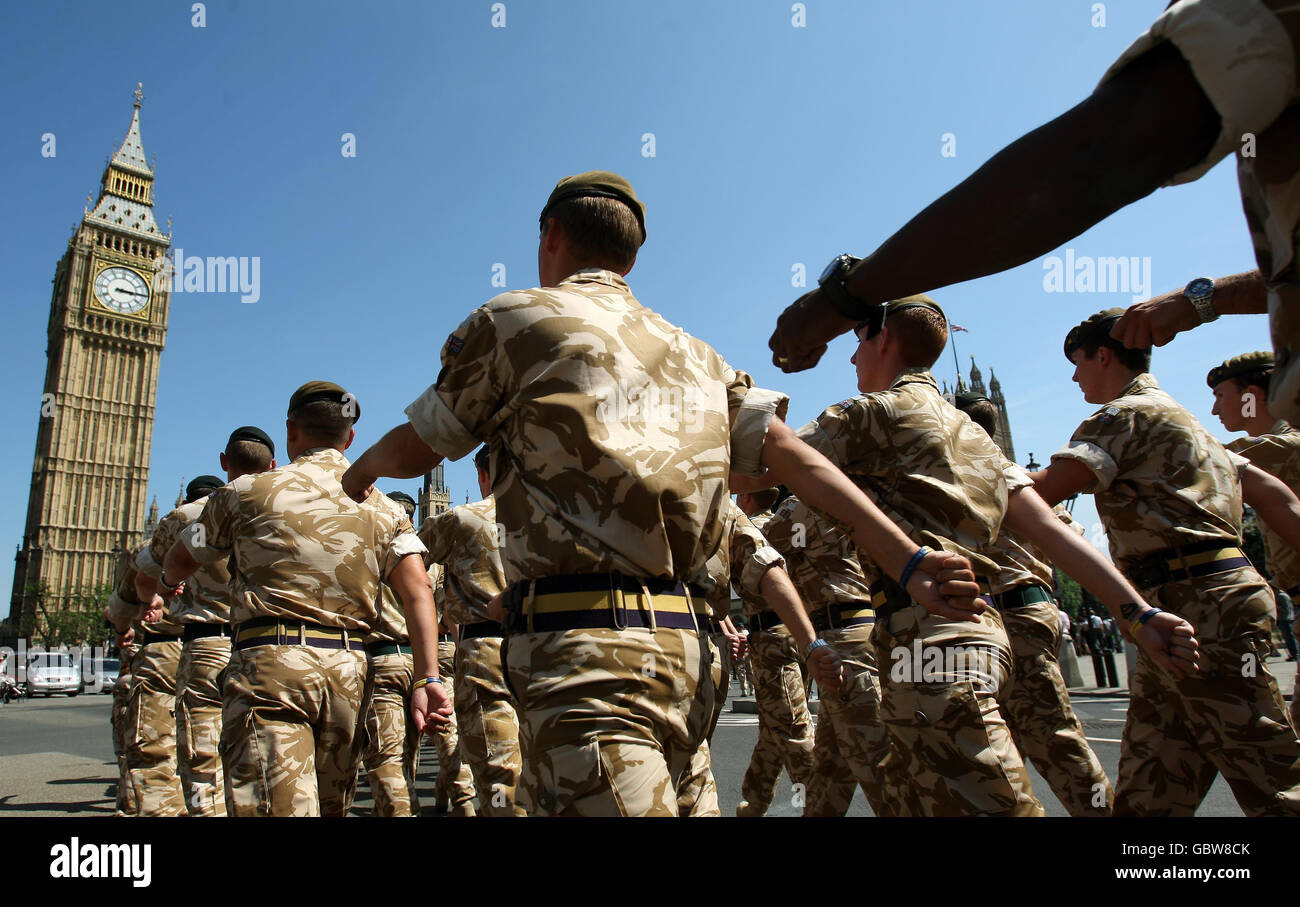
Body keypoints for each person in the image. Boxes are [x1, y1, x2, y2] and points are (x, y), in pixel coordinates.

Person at [341, 170, 975, 816]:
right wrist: (907, 556)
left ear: (551, 234)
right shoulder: (699, 354)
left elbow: (423, 442)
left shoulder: (514, 321)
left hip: (587, 665)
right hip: (689, 665)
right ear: (633, 256)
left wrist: (357, 473)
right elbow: (792, 459)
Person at [766, 0, 1300, 426]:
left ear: (881, 338)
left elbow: (1089, 163)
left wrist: (844, 297)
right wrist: (1203, 300)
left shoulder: (860, 420)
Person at [770, 296, 1198, 816]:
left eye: (857, 342)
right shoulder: (974, 435)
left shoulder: (868, 414)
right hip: (966, 633)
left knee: (999, 801)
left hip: (932, 638)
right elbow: (1049, 526)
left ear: (882, 340)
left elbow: (768, 468)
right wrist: (1135, 610)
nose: (853, 358)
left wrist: (745, 408)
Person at [1030, 309, 1300, 816]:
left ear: (1103, 356)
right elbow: (1272, 494)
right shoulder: (1186, 421)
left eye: (1078, 362)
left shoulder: (1121, 416)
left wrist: (982, 477)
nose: (1073, 376)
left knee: (1272, 779)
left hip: (1196, 604)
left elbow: (1044, 493)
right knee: (1151, 786)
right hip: (1189, 604)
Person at [160, 381, 447, 817]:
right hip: (350, 673)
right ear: (350, 438)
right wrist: (428, 678)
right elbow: (418, 592)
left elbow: (181, 558)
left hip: (270, 666)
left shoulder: (244, 493)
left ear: (291, 431)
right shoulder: (386, 508)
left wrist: (165, 583)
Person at [954, 393, 1113, 816]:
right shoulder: (1016, 475)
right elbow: (1071, 534)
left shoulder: (978, 470)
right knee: (1002, 741)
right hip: (1024, 607)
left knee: (1051, 735)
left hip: (1009, 614)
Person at [134, 429, 277, 817]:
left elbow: (142, 576)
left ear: (224, 462)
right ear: (272, 466)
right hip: (264, 649)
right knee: (260, 761)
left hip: (205, 647)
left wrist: (158, 593)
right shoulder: (279, 511)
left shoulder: (189, 516)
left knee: (202, 761)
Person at [418, 446, 522, 816]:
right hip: (548, 650)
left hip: (486, 655)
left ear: (482, 475)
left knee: (500, 779)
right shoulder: (552, 520)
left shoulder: (460, 519)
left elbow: (405, 562)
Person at [730, 489, 819, 818]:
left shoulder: (748, 528)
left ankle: (817, 805)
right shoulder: (795, 524)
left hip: (770, 637)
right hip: (800, 631)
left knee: (794, 730)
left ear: (749, 499)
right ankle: (752, 806)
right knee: (773, 731)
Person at [357, 489, 424, 817]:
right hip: (418, 659)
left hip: (382, 659)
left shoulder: (368, 551)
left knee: (385, 760)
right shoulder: (424, 559)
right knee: (407, 757)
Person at [106, 555, 185, 816]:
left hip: (160, 656)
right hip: (215, 651)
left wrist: (122, 628)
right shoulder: (232, 529)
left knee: (150, 751)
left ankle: (137, 804)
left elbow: (117, 608)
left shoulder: (155, 549)